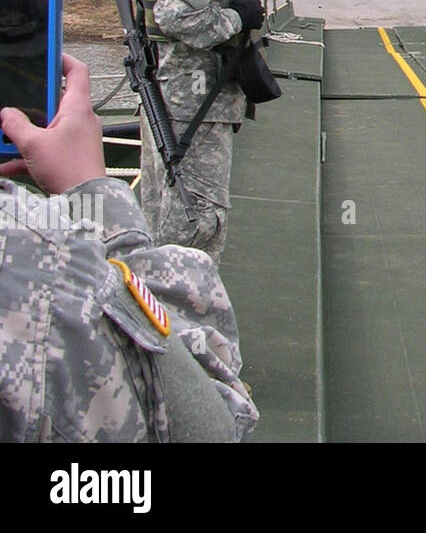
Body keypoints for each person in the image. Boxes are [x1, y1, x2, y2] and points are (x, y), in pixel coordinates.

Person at [0, 55, 259, 441]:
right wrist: (90, 190)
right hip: (192, 102)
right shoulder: (42, 259)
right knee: (199, 217)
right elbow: (206, 425)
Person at [118, 0, 264, 266]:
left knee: (161, 206)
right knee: (196, 219)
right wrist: (238, 17)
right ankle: (188, 318)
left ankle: (154, 308)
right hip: (193, 103)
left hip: (169, 95)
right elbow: (177, 18)